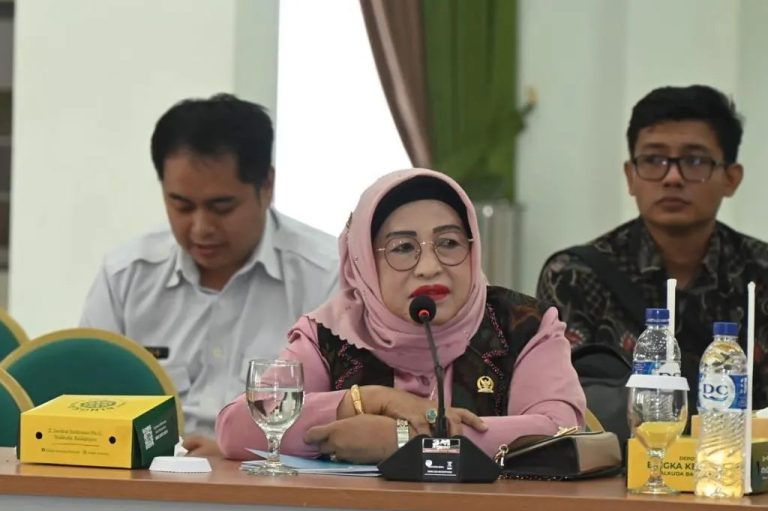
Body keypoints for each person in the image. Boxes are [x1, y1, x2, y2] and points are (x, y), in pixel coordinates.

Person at [215, 168, 585, 463]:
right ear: (363, 262)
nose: (429, 267)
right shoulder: (330, 334)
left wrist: (408, 440)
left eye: (449, 243)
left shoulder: (523, 325)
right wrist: (365, 401)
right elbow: (236, 429)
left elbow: (562, 434)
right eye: (403, 248)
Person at [80, 94, 339, 455]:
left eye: (221, 207)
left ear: (266, 186)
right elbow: (85, 403)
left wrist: (236, 452)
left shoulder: (328, 278)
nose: (201, 228)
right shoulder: (125, 276)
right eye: (182, 206)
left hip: (272, 480)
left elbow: (345, 422)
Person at [537, 85, 768, 410]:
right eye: (653, 160)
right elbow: (562, 404)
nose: (672, 177)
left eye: (695, 160)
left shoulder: (760, 272)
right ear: (630, 176)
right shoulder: (574, 276)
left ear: (731, 178)